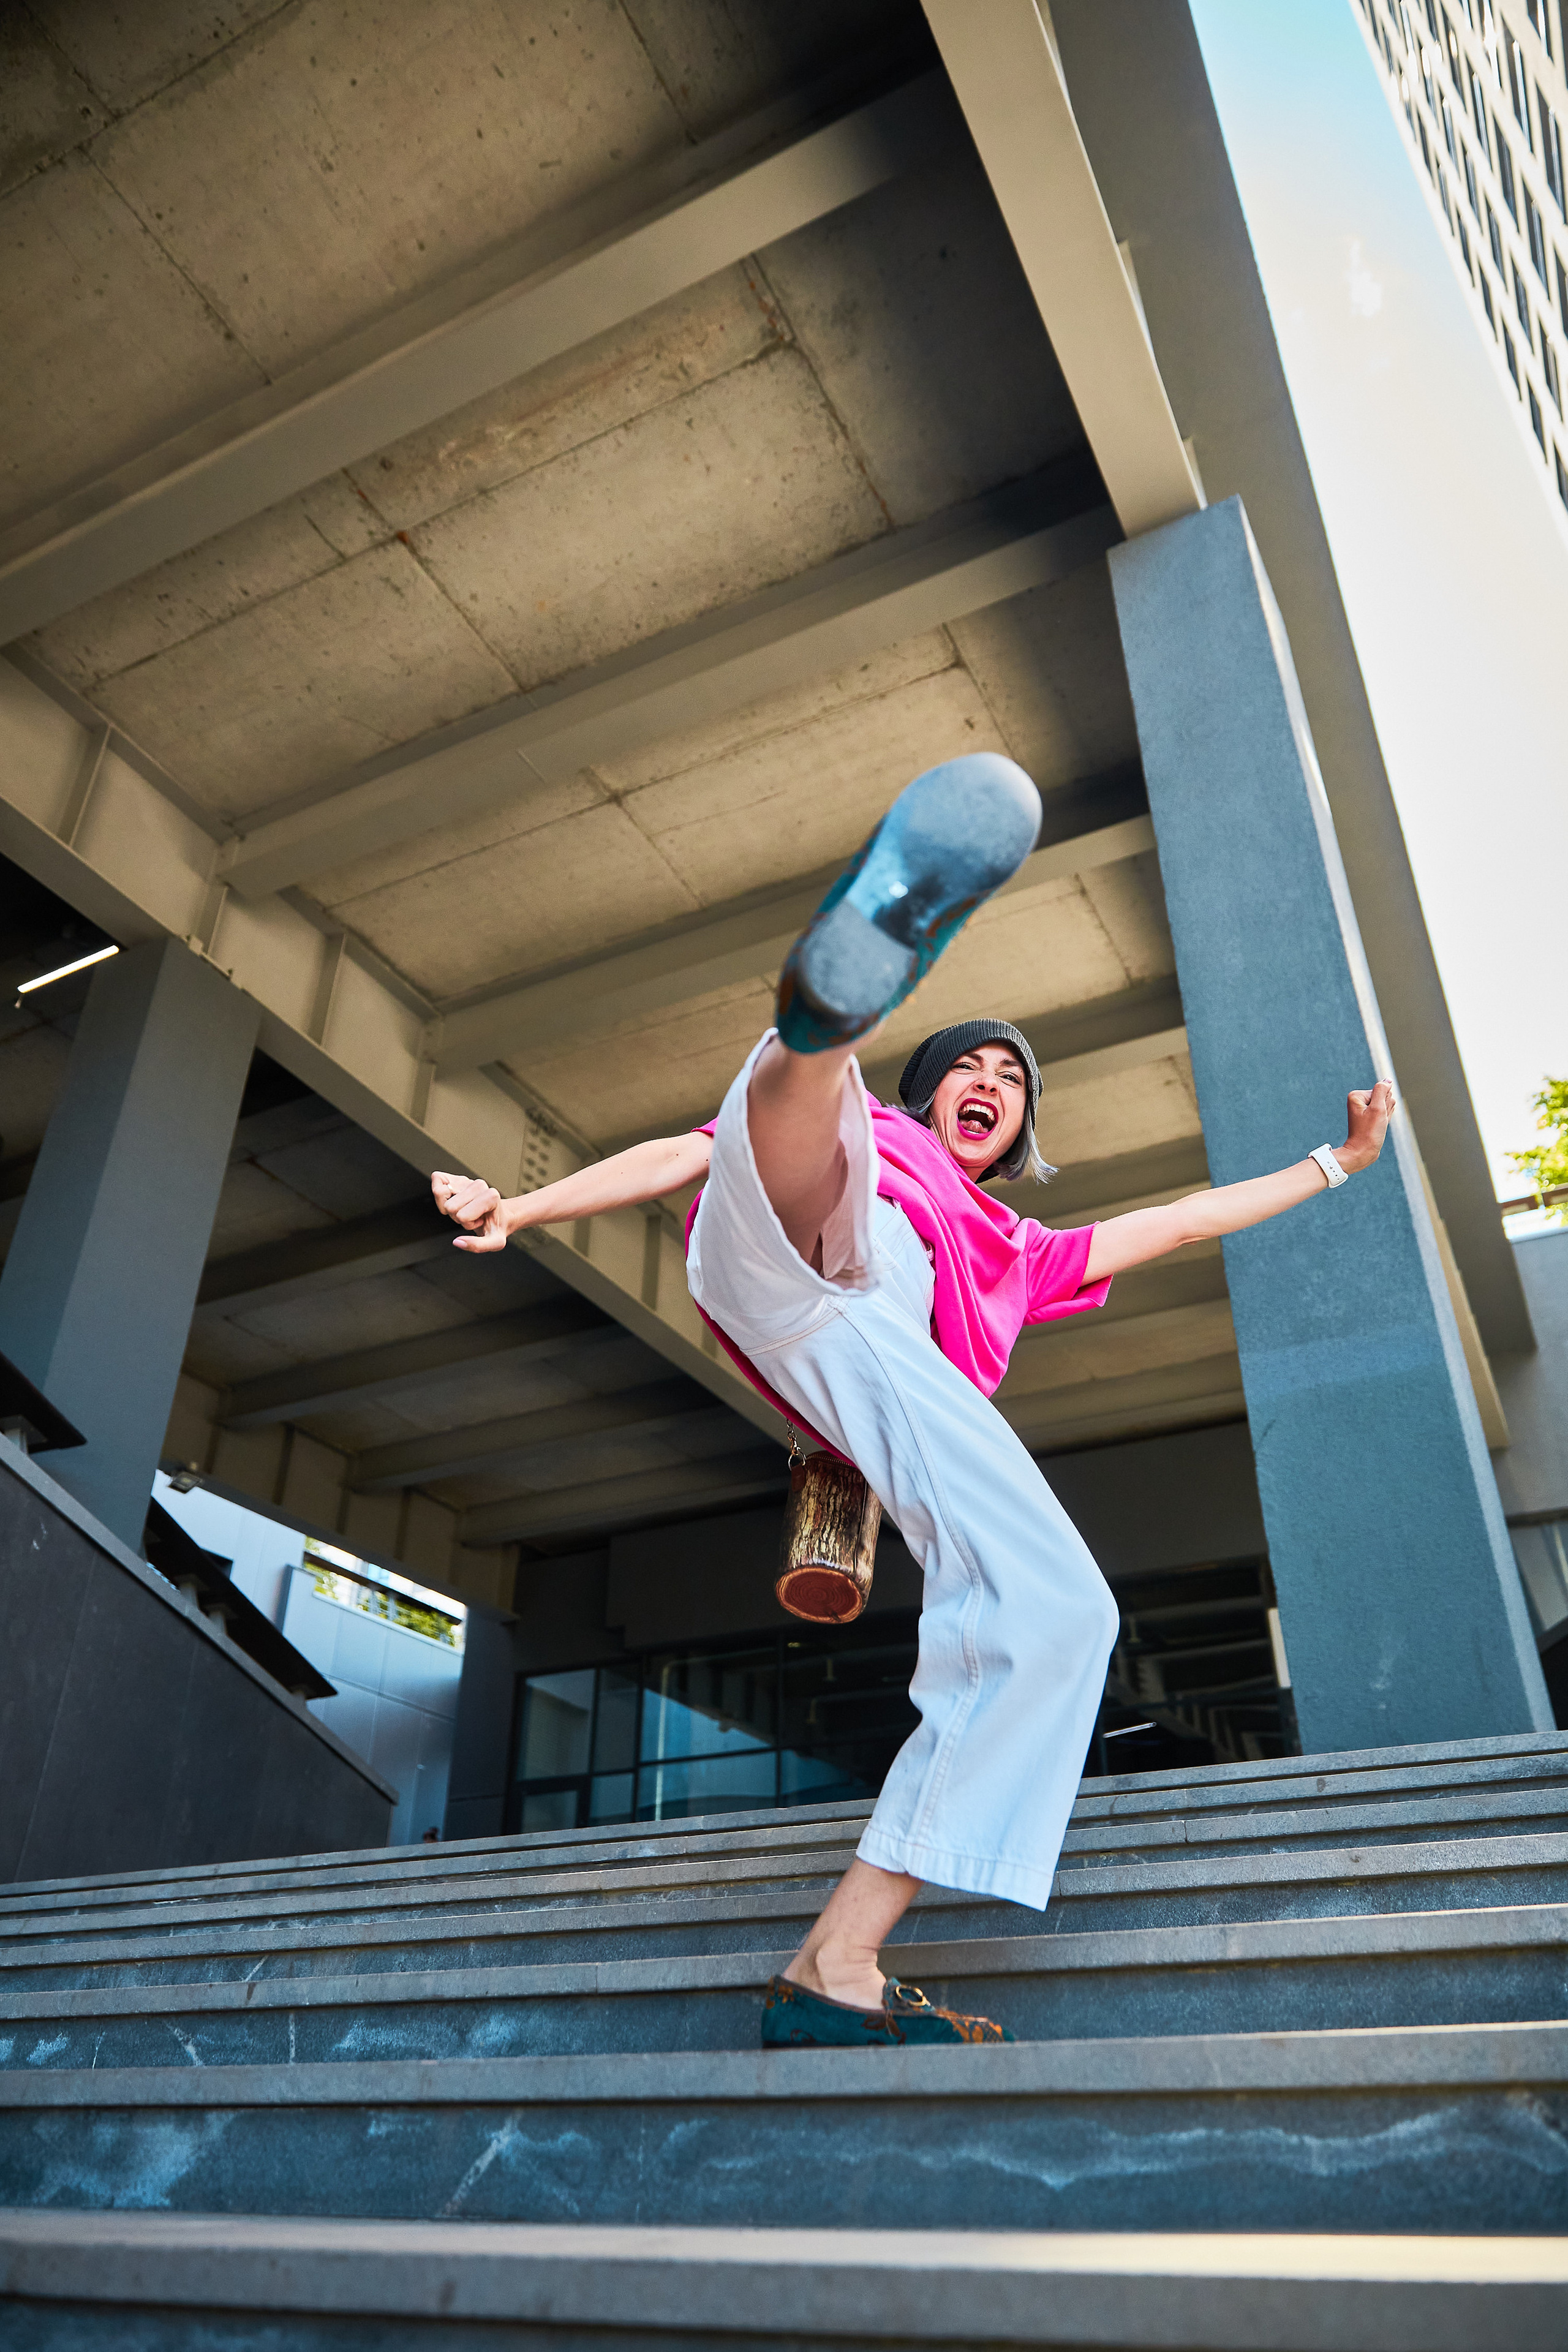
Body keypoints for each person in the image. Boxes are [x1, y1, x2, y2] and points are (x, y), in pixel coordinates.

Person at [432, 753, 1394, 2048]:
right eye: (971, 1064)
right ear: (931, 1088)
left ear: (1010, 1132)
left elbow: (1171, 1223)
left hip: (876, 1350)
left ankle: (839, 1958)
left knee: (1060, 1611)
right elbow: (683, 1156)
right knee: (795, 1120)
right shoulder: (888, 1138)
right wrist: (520, 1207)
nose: (992, 1081)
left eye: (1010, 1080)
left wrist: (1332, 1165)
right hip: (802, 1235)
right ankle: (827, 1018)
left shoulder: (1017, 1245)